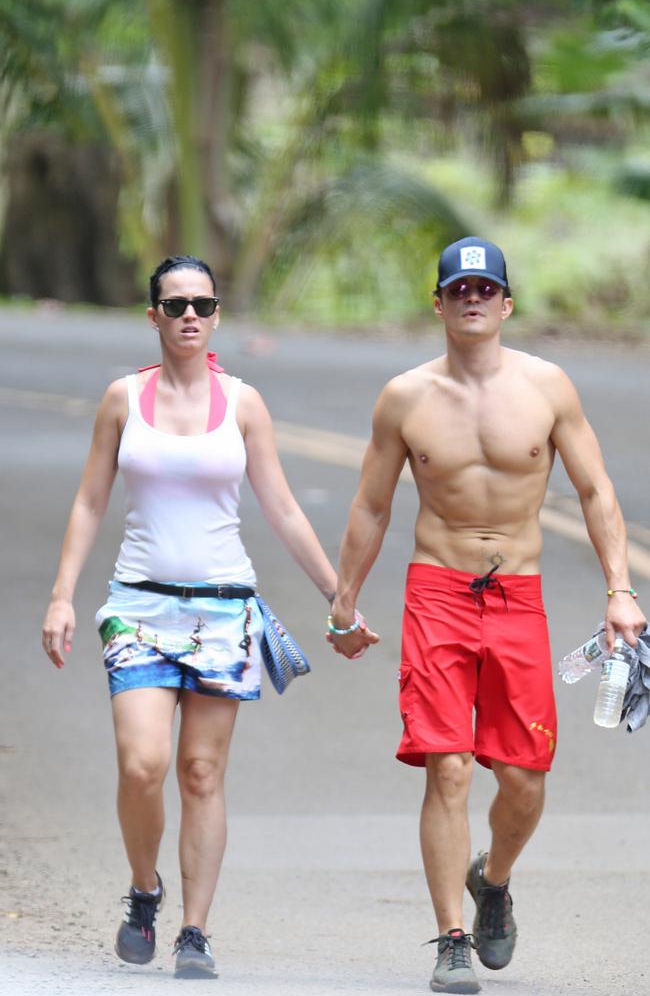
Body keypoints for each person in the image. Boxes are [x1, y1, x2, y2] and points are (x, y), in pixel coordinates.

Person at [327, 237, 646, 994]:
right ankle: (449, 940)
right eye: (457, 288)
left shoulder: (548, 387)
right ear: (438, 303)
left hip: (518, 597)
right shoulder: (405, 396)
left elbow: (597, 493)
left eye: (485, 288)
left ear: (506, 304)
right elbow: (372, 504)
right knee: (448, 765)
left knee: (527, 777)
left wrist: (620, 589)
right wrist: (344, 599)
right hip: (437, 591)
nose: (471, 299)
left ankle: (492, 880)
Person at [42, 255, 338, 979]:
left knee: (202, 772)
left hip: (222, 611)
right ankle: (145, 890)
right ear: (153, 317)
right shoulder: (122, 400)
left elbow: (284, 508)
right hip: (139, 605)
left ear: (216, 315)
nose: (190, 317)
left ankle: (194, 930)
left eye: (202, 304)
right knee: (143, 764)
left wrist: (340, 595)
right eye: (174, 306)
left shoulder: (243, 403)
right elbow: (89, 500)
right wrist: (61, 593)